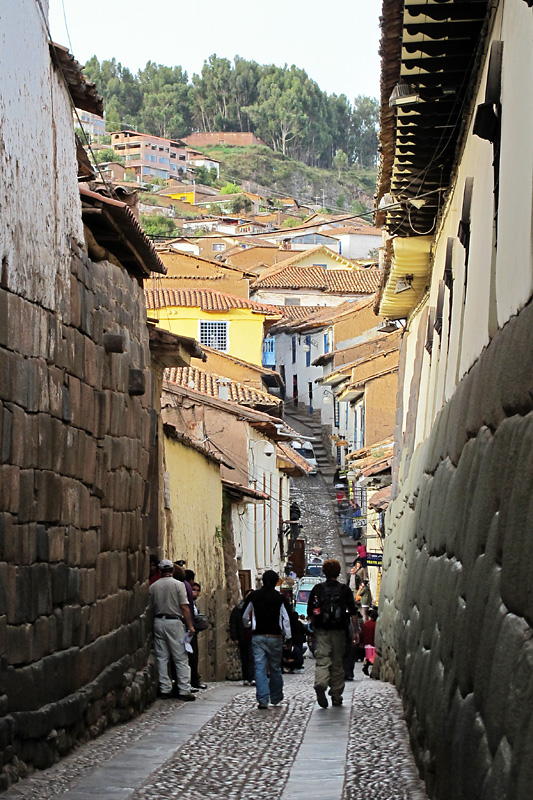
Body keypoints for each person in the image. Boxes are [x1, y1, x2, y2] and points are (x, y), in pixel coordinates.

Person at [307, 559, 359, 708]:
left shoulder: (317, 589)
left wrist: (315, 625)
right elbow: (353, 612)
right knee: (337, 662)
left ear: (324, 572)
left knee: (323, 658)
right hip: (340, 631)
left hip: (322, 630)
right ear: (338, 572)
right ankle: (336, 695)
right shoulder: (344, 590)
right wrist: (355, 631)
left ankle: (321, 683)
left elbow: (311, 611)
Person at [243, 570, 292, 709]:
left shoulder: (254, 596)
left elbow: (245, 615)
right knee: (275, 667)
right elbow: (286, 619)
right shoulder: (280, 598)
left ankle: (263, 699)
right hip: (275, 636)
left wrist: (249, 625)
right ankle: (275, 697)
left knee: (259, 667)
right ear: (276, 582)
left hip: (258, 636)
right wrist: (288, 636)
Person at [149, 559, 196, 701]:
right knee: (180, 657)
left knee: (162, 657)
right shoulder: (178, 585)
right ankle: (184, 689)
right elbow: (184, 607)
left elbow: (150, 606)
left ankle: (164, 689)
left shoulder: (153, 586)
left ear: (160, 570)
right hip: (174, 622)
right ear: (172, 570)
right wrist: (190, 626)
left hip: (158, 621)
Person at [184, 569, 207, 691]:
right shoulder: (185, 592)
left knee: (193, 657)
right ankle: (191, 681)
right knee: (189, 657)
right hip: (187, 630)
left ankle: (193, 679)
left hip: (189, 629)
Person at [229, 589, 255, 685]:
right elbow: (233, 623)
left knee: (252, 657)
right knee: (244, 658)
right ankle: (246, 677)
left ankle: (252, 677)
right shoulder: (238, 609)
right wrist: (234, 637)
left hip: (253, 636)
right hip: (242, 636)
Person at [361, 607, 377, 675]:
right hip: (374, 643)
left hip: (367, 643)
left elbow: (362, 633)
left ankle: (366, 667)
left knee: (369, 657)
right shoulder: (377, 624)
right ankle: (371, 670)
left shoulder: (366, 624)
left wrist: (361, 642)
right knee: (374, 658)